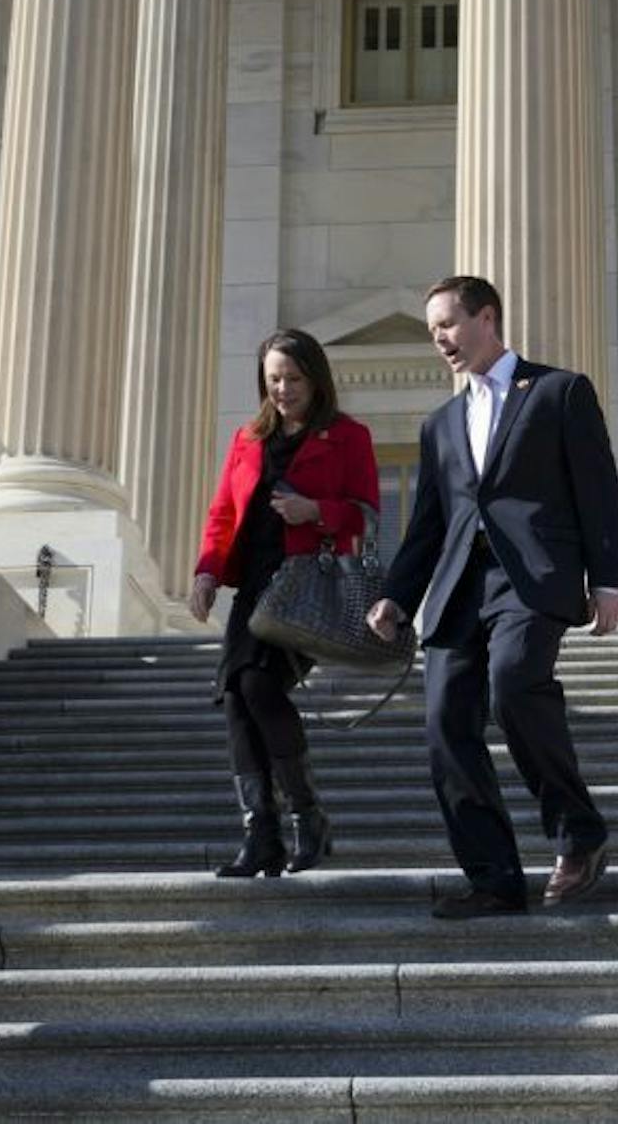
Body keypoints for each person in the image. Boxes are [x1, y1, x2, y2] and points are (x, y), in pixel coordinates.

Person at [367, 275, 618, 919]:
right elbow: (429, 522)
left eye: (448, 325)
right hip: (458, 586)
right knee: (444, 724)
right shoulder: (440, 423)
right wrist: (397, 598)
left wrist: (609, 578)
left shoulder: (559, 391)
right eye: (432, 333)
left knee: (514, 684)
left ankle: (579, 835)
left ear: (488, 318)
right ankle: (493, 878)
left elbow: (598, 490)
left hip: (532, 577)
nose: (440, 341)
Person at [191, 328, 379, 879]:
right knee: (235, 696)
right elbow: (223, 513)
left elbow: (366, 514)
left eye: (293, 378)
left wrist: (314, 511)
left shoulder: (348, 436)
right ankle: (262, 834)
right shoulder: (248, 438)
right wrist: (206, 571)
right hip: (252, 585)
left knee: (254, 684)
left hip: (305, 588)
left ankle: (304, 816)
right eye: (273, 378)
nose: (282, 388)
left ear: (315, 379)